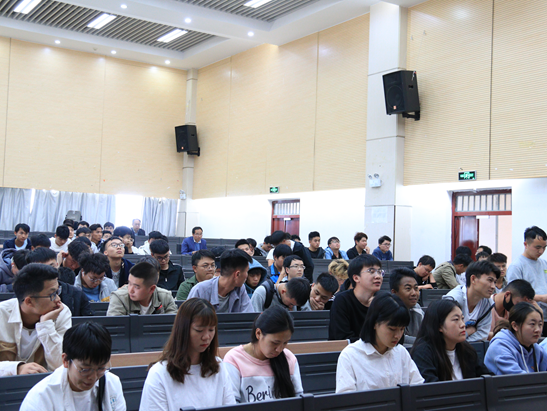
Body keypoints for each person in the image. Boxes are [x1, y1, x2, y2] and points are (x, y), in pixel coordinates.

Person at [139, 298, 235, 410]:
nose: (206, 337)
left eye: (211, 330)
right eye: (199, 330)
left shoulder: (219, 366)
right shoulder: (159, 373)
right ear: (183, 330)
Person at [20, 321, 126, 411]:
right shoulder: (41, 397)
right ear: (66, 360)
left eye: (101, 368)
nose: (93, 377)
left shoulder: (111, 383)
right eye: (85, 369)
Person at [335, 292, 423, 392]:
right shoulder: (350, 356)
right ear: (374, 323)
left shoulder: (401, 352)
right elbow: (345, 399)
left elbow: (418, 388)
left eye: (402, 329)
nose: (398, 336)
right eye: (392, 329)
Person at [0, 263, 71, 376]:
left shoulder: (61, 312)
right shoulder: (2, 313)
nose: (58, 299)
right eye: (52, 294)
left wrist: (46, 325)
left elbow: (62, 365)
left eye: (57, 292)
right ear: (29, 301)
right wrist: (16, 369)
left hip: (44, 383)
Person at [224, 306, 303, 402]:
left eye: (285, 343)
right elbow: (232, 403)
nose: (279, 349)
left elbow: (299, 400)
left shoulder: (288, 358)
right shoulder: (234, 359)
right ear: (258, 333)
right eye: (275, 343)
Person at [411, 299, 491, 382]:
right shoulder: (423, 353)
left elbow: (487, 379)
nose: (463, 325)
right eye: (456, 319)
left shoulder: (467, 350)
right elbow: (431, 387)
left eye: (462, 318)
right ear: (439, 326)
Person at [328, 254, 383, 342]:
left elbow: (395, 336)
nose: (378, 276)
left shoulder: (383, 301)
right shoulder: (342, 301)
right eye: (371, 271)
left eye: (380, 272)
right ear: (356, 278)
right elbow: (343, 339)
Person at [443, 260, 500, 342]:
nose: (493, 286)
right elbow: (448, 335)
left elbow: (483, 334)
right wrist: (469, 331)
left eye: (495, 282)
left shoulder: (488, 303)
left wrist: (462, 340)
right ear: (473, 279)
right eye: (490, 280)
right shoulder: (452, 300)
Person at [27, 248, 93, 317]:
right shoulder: (26, 295)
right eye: (42, 269)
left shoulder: (76, 294)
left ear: (57, 265)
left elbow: (88, 320)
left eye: (51, 267)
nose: (48, 272)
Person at [485, 302, 547, 374]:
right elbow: (518, 378)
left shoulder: (537, 349)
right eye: (532, 324)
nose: (538, 330)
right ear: (515, 326)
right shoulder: (499, 347)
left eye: (540, 324)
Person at [188, 249, 253, 313]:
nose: (247, 276)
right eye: (246, 271)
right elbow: (188, 317)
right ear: (237, 274)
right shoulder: (200, 290)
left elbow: (248, 315)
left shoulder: (240, 289)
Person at [107, 259, 178, 316]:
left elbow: (174, 325)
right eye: (129, 283)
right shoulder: (119, 297)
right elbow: (116, 327)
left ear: (151, 289)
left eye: (136, 287)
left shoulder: (165, 297)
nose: (130, 290)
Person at [507, 226, 547, 318]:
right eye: (537, 247)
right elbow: (515, 294)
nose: (541, 251)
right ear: (526, 244)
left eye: (544, 247)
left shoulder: (544, 263)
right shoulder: (517, 266)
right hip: (528, 316)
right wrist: (541, 298)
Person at [390, 267, 424, 344]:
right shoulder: (389, 310)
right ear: (394, 292)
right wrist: (424, 341)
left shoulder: (417, 308)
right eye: (408, 288)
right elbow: (399, 339)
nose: (414, 293)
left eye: (416, 288)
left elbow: (428, 332)